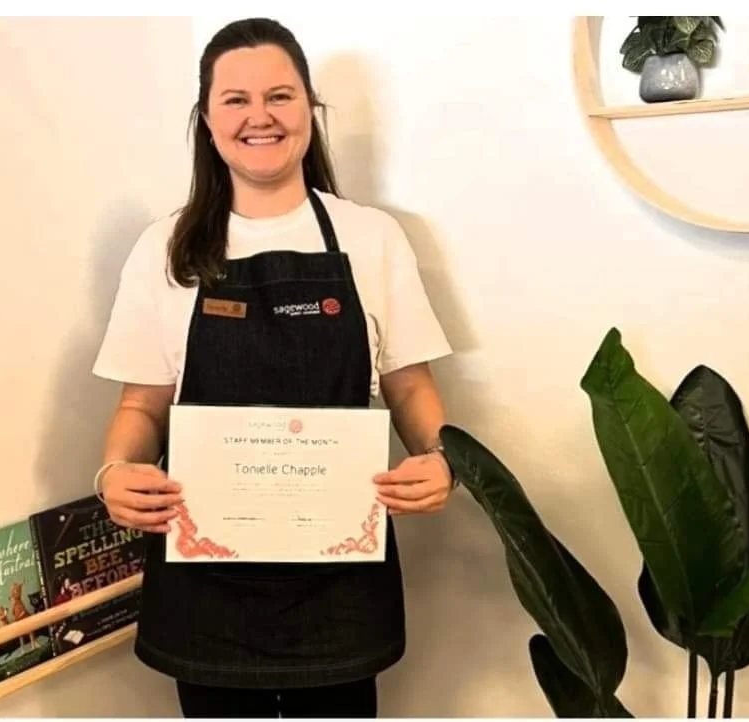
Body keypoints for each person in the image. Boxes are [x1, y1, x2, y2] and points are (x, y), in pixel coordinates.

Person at [91, 16, 455, 720]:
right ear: (205, 119)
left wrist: (442, 459)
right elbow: (142, 405)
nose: (259, 116)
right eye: (235, 99)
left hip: (340, 581)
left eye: (280, 96)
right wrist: (113, 474)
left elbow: (410, 385)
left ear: (309, 113)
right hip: (205, 588)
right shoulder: (162, 248)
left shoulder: (371, 238)